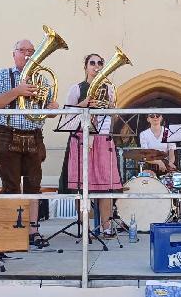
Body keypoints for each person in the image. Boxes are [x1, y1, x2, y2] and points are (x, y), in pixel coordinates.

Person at [0, 39, 59, 248]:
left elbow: (48, 112)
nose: (27, 55)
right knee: (10, 186)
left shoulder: (43, 79)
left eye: (31, 51)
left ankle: (33, 231)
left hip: (34, 136)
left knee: (33, 186)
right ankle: (11, 230)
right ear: (14, 54)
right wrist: (17, 91)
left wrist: (53, 108)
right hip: (7, 135)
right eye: (23, 51)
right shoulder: (3, 74)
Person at [60, 53, 123, 238]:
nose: (96, 66)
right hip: (81, 140)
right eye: (92, 63)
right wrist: (84, 104)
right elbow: (66, 116)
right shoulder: (76, 88)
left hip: (102, 140)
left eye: (99, 63)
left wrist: (111, 108)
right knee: (82, 188)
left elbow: (113, 118)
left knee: (106, 187)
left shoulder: (109, 89)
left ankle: (106, 227)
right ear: (85, 67)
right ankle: (84, 227)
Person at [139, 113, 181, 219]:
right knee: (147, 177)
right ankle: (152, 214)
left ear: (161, 118)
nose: (155, 117)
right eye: (152, 116)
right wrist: (158, 162)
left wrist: (169, 164)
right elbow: (145, 156)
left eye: (157, 115)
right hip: (150, 166)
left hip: (166, 165)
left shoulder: (167, 132)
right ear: (148, 119)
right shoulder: (144, 134)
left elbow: (172, 154)